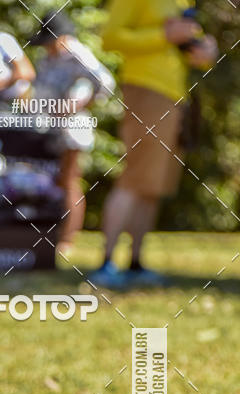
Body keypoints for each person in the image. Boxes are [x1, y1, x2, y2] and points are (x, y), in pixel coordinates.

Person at [92, 0, 217, 288]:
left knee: (153, 184)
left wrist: (204, 52)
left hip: (175, 95)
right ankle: (107, 263)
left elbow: (185, 50)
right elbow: (110, 38)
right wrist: (163, 37)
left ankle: (135, 263)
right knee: (136, 177)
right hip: (146, 90)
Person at [30, 12, 114, 255]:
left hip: (73, 128)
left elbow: (105, 82)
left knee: (69, 179)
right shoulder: (48, 57)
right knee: (52, 180)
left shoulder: (78, 54)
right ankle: (49, 233)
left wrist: (79, 103)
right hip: (47, 127)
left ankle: (67, 239)